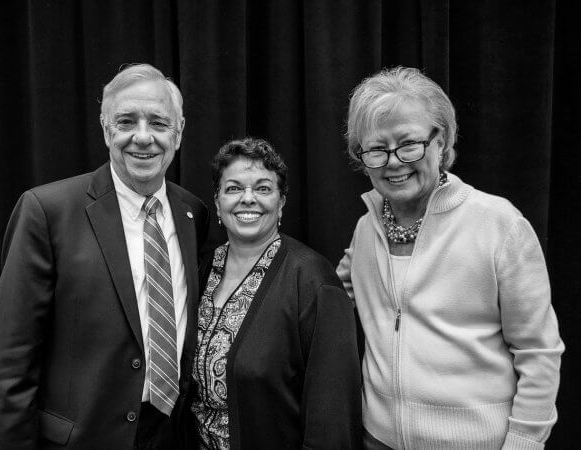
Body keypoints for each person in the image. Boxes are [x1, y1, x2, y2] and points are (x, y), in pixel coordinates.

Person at [0, 64, 209, 449]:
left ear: (179, 131)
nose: (143, 137)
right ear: (106, 130)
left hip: (169, 435)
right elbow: (10, 361)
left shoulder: (192, 213)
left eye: (158, 122)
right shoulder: (47, 211)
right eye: (126, 121)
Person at [337, 67, 564, 450]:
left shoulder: (499, 224)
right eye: (376, 149)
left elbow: (538, 351)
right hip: (377, 439)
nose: (394, 161)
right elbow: (328, 296)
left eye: (409, 143)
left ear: (440, 142)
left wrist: (524, 442)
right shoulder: (365, 230)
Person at [188, 137, 362, 449]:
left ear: (281, 202)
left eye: (263, 188)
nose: (248, 198)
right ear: (217, 202)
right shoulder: (202, 269)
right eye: (234, 188)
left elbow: (333, 419)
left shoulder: (313, 281)